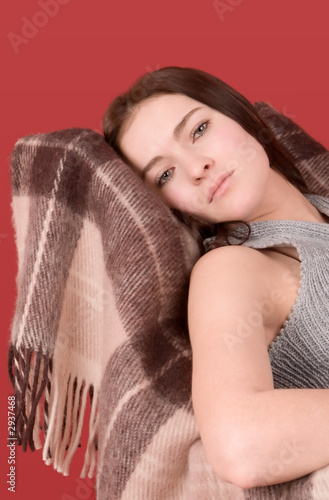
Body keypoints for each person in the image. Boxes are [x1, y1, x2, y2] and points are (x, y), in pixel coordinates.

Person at [102, 67, 329, 489]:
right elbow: (240, 443)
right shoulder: (229, 270)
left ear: (240, 114)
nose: (198, 166)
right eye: (164, 175)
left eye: (199, 129)